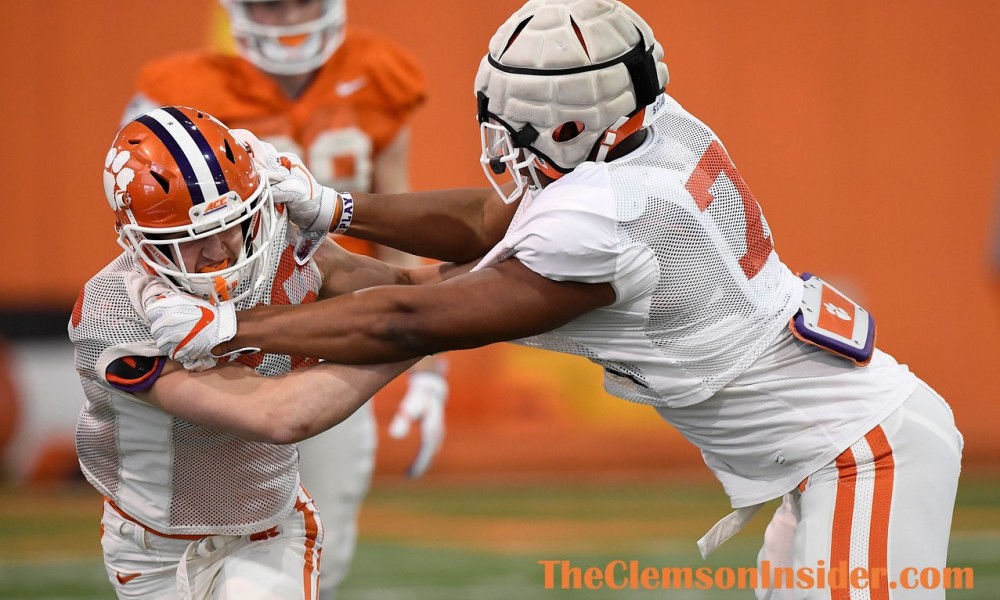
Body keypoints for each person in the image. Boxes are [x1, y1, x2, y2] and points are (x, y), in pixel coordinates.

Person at [146, 1, 963, 597]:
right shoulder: (657, 128)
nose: (501, 127)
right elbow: (488, 220)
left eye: (517, 111)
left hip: (860, 456)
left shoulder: (606, 220)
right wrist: (336, 207)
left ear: (571, 122)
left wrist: (227, 324)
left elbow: (409, 317)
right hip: (834, 452)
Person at [120, 1, 448, 596]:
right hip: (217, 329)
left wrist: (432, 357)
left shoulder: (379, 72)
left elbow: (397, 231)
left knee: (323, 543)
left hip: (335, 316)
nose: (288, 17)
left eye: (300, 0)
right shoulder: (176, 89)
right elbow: (143, 224)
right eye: (270, 3)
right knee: (198, 537)